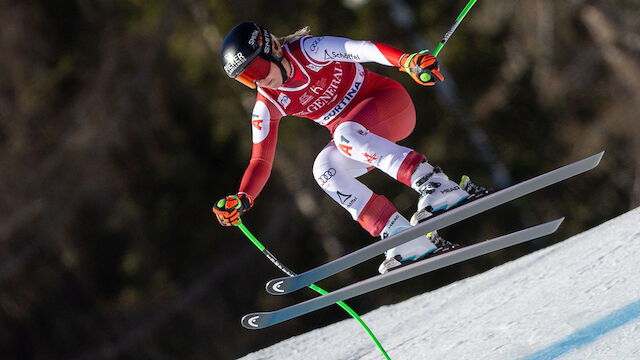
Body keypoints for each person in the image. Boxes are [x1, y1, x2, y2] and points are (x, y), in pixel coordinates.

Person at [212, 22, 484, 274]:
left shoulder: (310, 51)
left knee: (344, 134)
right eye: (247, 79)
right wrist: (243, 197)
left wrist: (405, 61)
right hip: (358, 139)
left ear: (272, 48)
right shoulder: (268, 104)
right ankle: (402, 236)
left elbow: (362, 49)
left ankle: (437, 185)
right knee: (324, 169)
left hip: (390, 106)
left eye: (256, 70)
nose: (258, 82)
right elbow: (261, 160)